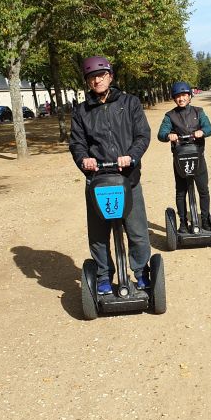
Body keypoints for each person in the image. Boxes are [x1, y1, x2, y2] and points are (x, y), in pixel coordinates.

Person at [69, 55, 152, 295]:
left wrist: (132, 156)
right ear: (87, 81)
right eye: (92, 77)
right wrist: (84, 160)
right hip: (97, 181)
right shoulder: (82, 111)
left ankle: (141, 272)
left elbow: (142, 135)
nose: (98, 80)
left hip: (128, 178)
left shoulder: (130, 102)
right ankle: (104, 275)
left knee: (136, 230)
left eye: (101, 75)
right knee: (98, 235)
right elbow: (77, 143)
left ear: (110, 76)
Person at [157, 81, 211, 232]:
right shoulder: (170, 116)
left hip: (197, 156)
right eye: (177, 96)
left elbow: (209, 128)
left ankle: (206, 220)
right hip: (180, 158)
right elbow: (161, 133)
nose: (181, 99)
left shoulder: (198, 112)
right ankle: (183, 222)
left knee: (203, 189)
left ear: (190, 96)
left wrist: (202, 132)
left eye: (184, 95)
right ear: (174, 98)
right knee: (181, 191)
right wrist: (168, 135)